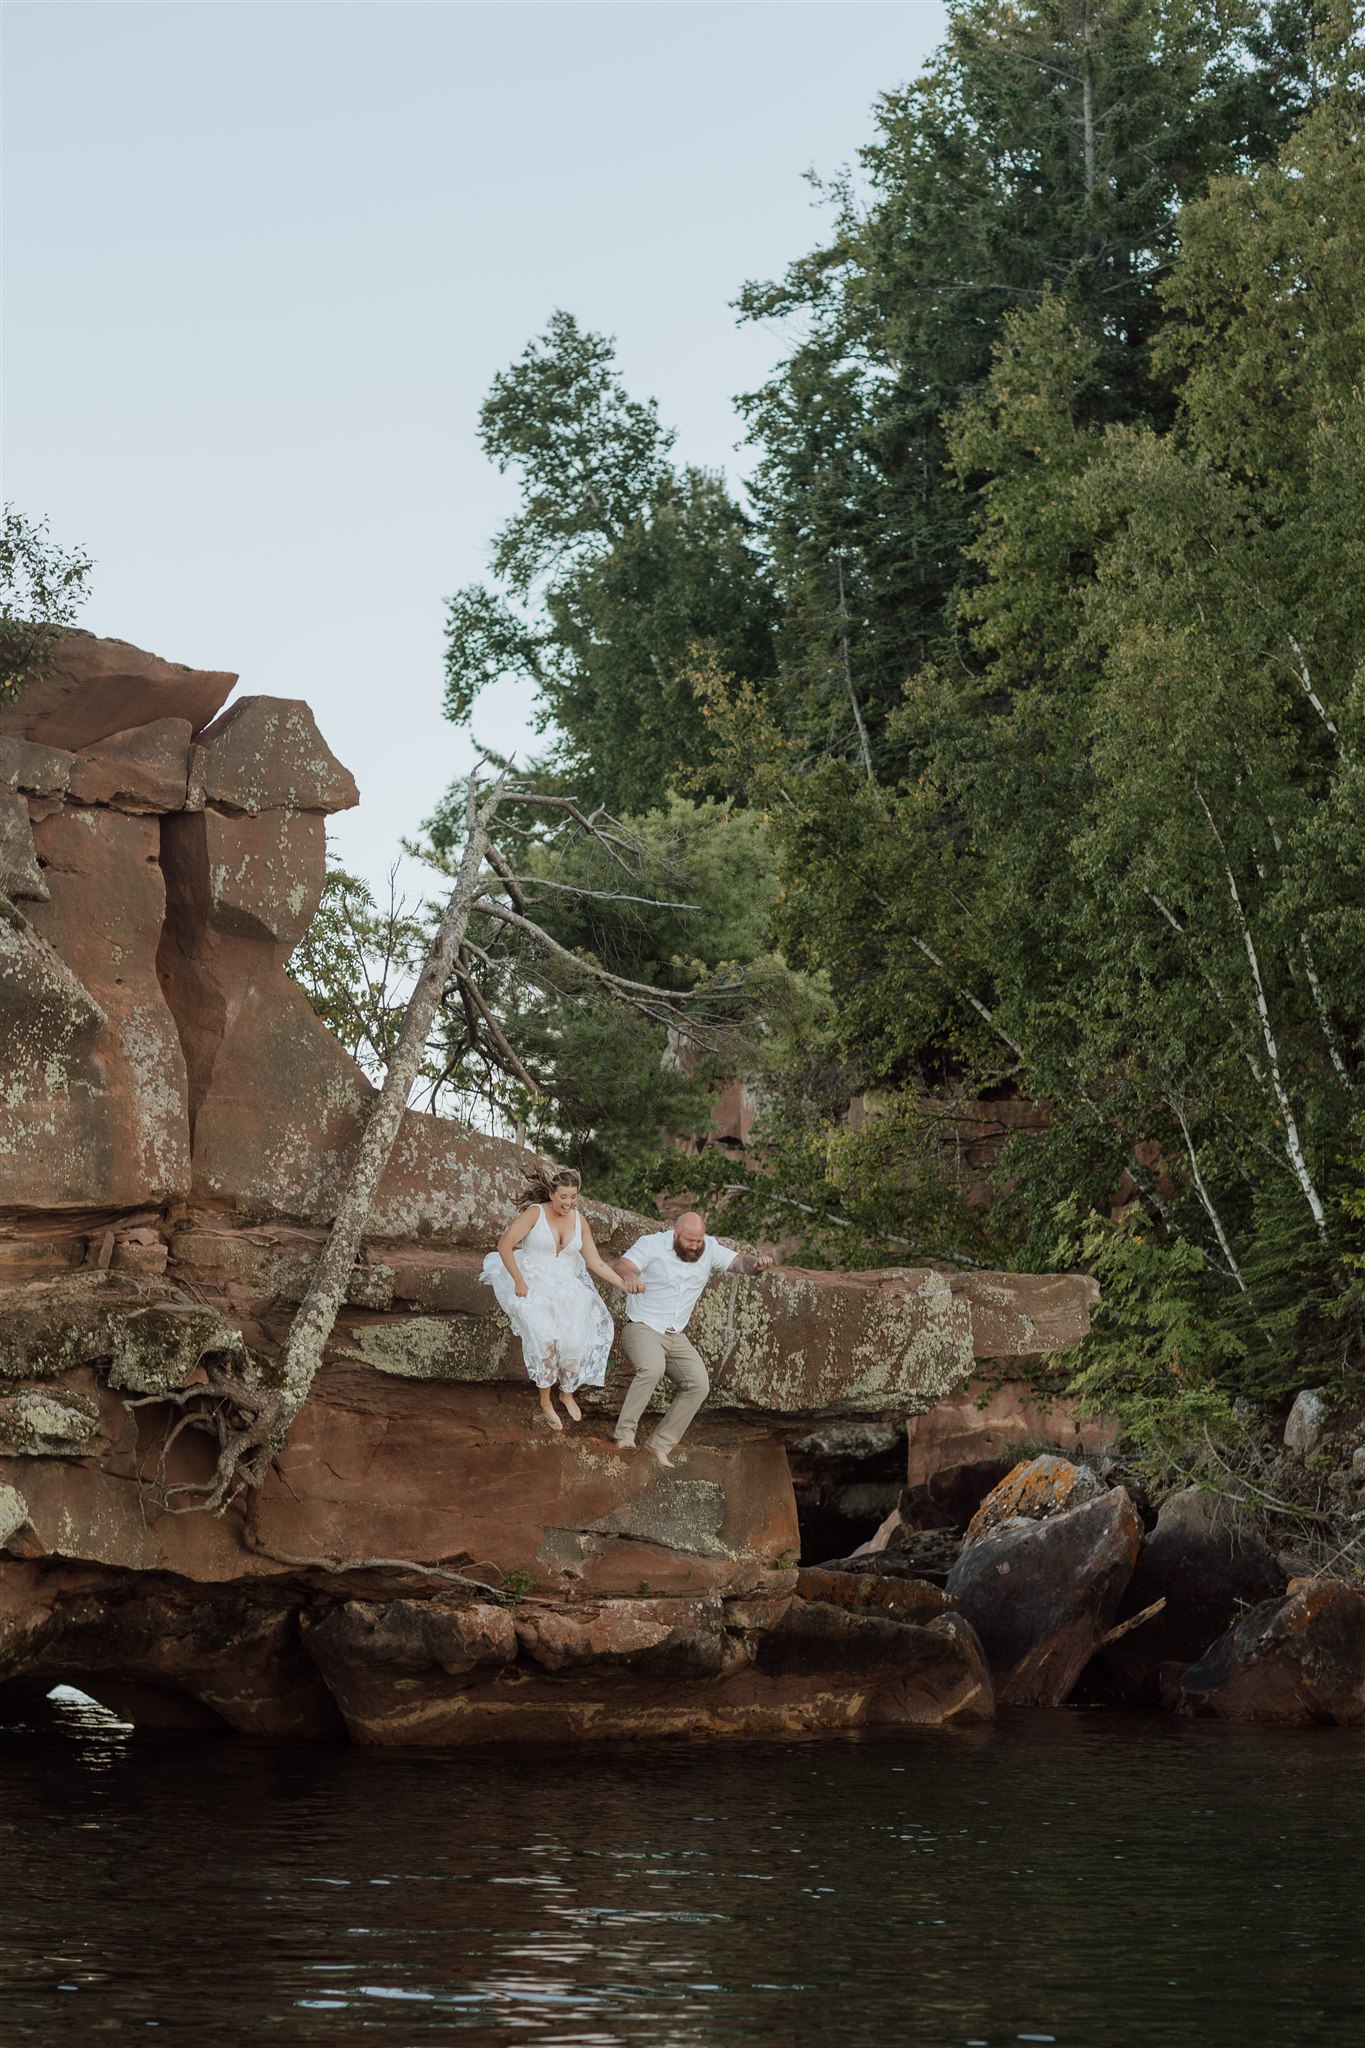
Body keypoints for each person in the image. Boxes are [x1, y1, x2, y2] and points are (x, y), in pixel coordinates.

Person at [481, 1166, 642, 1432]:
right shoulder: (535, 1213)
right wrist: (519, 1281)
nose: (568, 1202)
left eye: (573, 1197)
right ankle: (545, 1401)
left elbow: (596, 1263)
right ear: (551, 1194)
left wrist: (623, 1284)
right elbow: (504, 1245)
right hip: (532, 1281)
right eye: (563, 1196)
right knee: (545, 1337)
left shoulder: (580, 1221)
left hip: (567, 1287)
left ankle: (566, 1392)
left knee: (576, 1342)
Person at [610, 1210, 775, 1468]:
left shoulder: (708, 1249)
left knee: (699, 1384)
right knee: (653, 1368)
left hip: (675, 1335)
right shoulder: (651, 1244)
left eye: (699, 1241)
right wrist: (630, 1276)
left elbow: (739, 1263)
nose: (695, 1246)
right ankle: (624, 1435)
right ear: (676, 1234)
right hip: (642, 1327)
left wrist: (757, 1265)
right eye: (690, 1241)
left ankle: (658, 1445)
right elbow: (623, 1265)